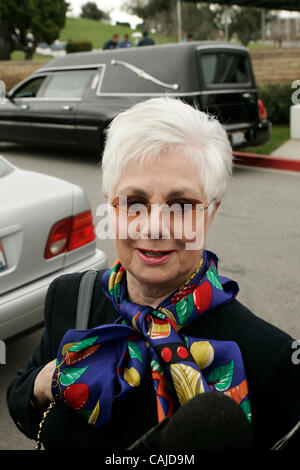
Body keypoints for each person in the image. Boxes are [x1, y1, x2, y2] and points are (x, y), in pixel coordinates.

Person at [7, 97, 300, 450]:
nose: (155, 226)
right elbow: (23, 404)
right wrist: (44, 382)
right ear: (110, 205)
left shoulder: (270, 358)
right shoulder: (72, 297)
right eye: (134, 202)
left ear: (211, 212)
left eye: (182, 205)